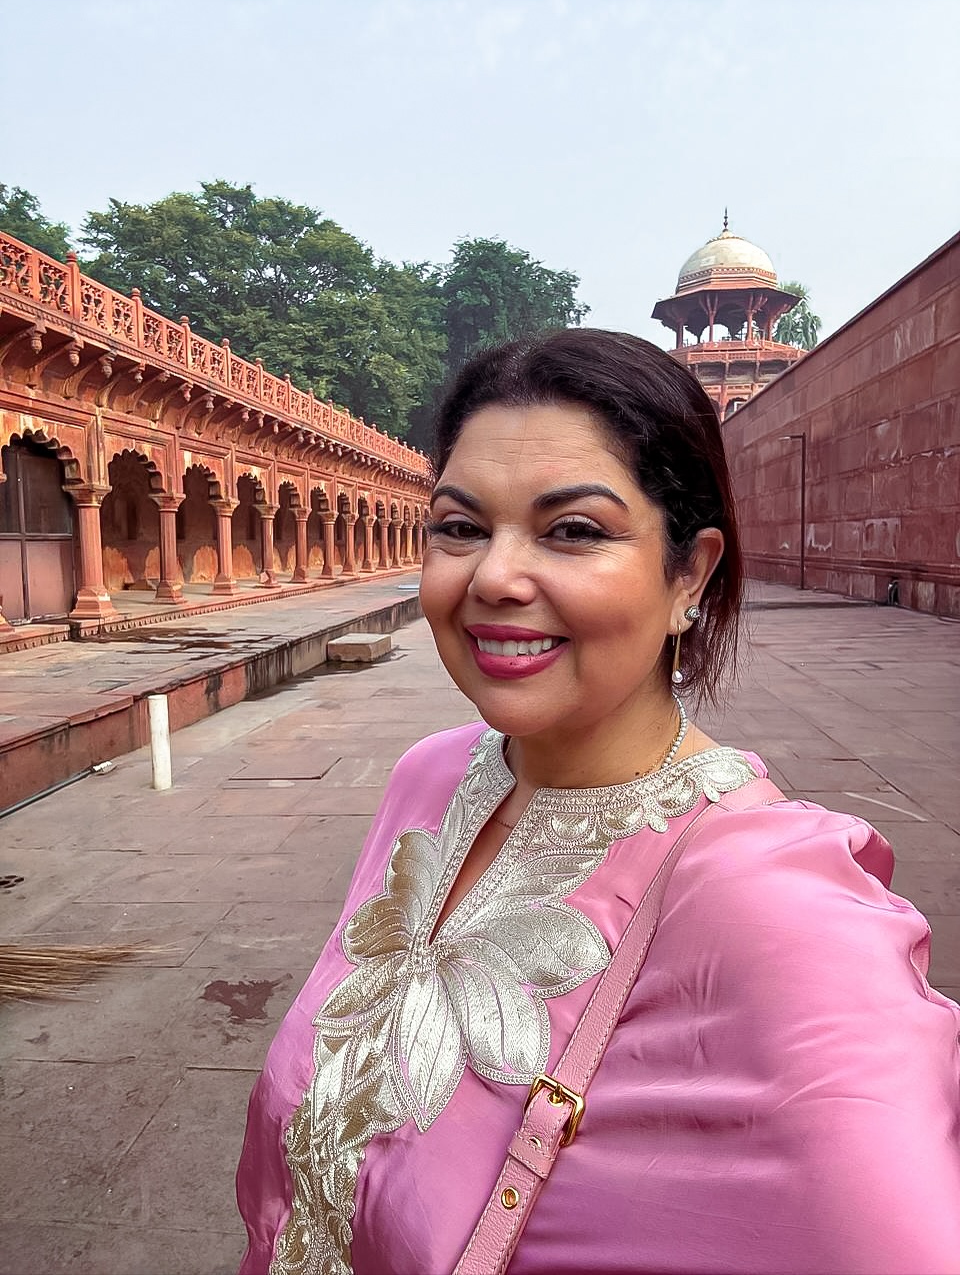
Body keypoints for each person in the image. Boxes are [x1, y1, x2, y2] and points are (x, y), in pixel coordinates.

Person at [235, 329, 960, 1275]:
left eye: (573, 530)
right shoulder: (433, 778)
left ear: (690, 574)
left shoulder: (777, 906)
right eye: (459, 527)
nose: (493, 577)